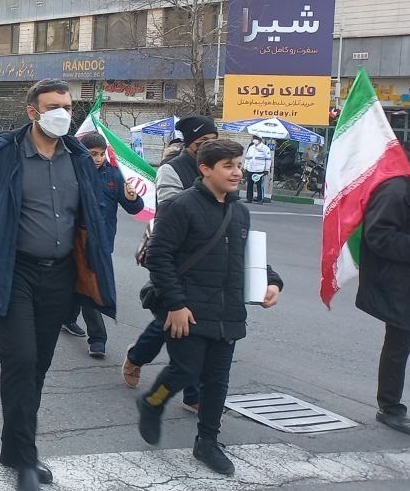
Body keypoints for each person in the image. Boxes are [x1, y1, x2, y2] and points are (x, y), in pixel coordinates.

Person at [0, 79, 115, 491]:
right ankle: (26, 457)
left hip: (59, 276)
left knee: (38, 364)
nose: (63, 112)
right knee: (21, 361)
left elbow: (91, 215)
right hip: (13, 273)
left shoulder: (78, 156)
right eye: (54, 106)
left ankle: (14, 447)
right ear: (33, 112)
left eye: (68, 105)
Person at [136, 139, 283, 476]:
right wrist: (175, 304)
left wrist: (272, 282)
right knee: (185, 370)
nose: (237, 172)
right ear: (205, 169)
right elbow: (158, 257)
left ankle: (207, 442)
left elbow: (249, 256)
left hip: (226, 313)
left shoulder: (239, 211)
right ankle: (152, 402)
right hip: (187, 310)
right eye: (228, 166)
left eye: (238, 164)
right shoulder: (182, 207)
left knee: (217, 381)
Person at [122, 115, 217, 405]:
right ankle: (138, 358)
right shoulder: (172, 170)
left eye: (214, 141)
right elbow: (172, 211)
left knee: (198, 326)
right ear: (189, 144)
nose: (209, 147)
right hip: (178, 255)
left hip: (212, 258)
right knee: (171, 320)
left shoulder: (221, 167)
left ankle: (194, 394)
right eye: (202, 143)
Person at [357, 125, 410, 437]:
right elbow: (378, 236)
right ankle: (389, 408)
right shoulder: (397, 189)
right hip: (402, 277)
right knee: (399, 341)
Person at [62, 133, 144, 359]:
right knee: (79, 281)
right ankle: (80, 326)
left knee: (90, 284)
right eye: (92, 154)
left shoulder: (114, 175)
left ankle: (90, 333)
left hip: (102, 240)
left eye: (101, 154)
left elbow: (134, 209)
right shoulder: (72, 172)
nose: (98, 159)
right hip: (74, 237)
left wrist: (133, 198)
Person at [243, 136, 273, 204]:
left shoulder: (265, 148)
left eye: (256, 139)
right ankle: (249, 198)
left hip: (259, 170)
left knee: (259, 185)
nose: (255, 140)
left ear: (260, 140)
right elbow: (247, 158)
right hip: (250, 169)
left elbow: (268, 160)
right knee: (250, 185)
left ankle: (260, 199)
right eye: (254, 139)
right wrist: (245, 167)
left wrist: (266, 169)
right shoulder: (251, 148)